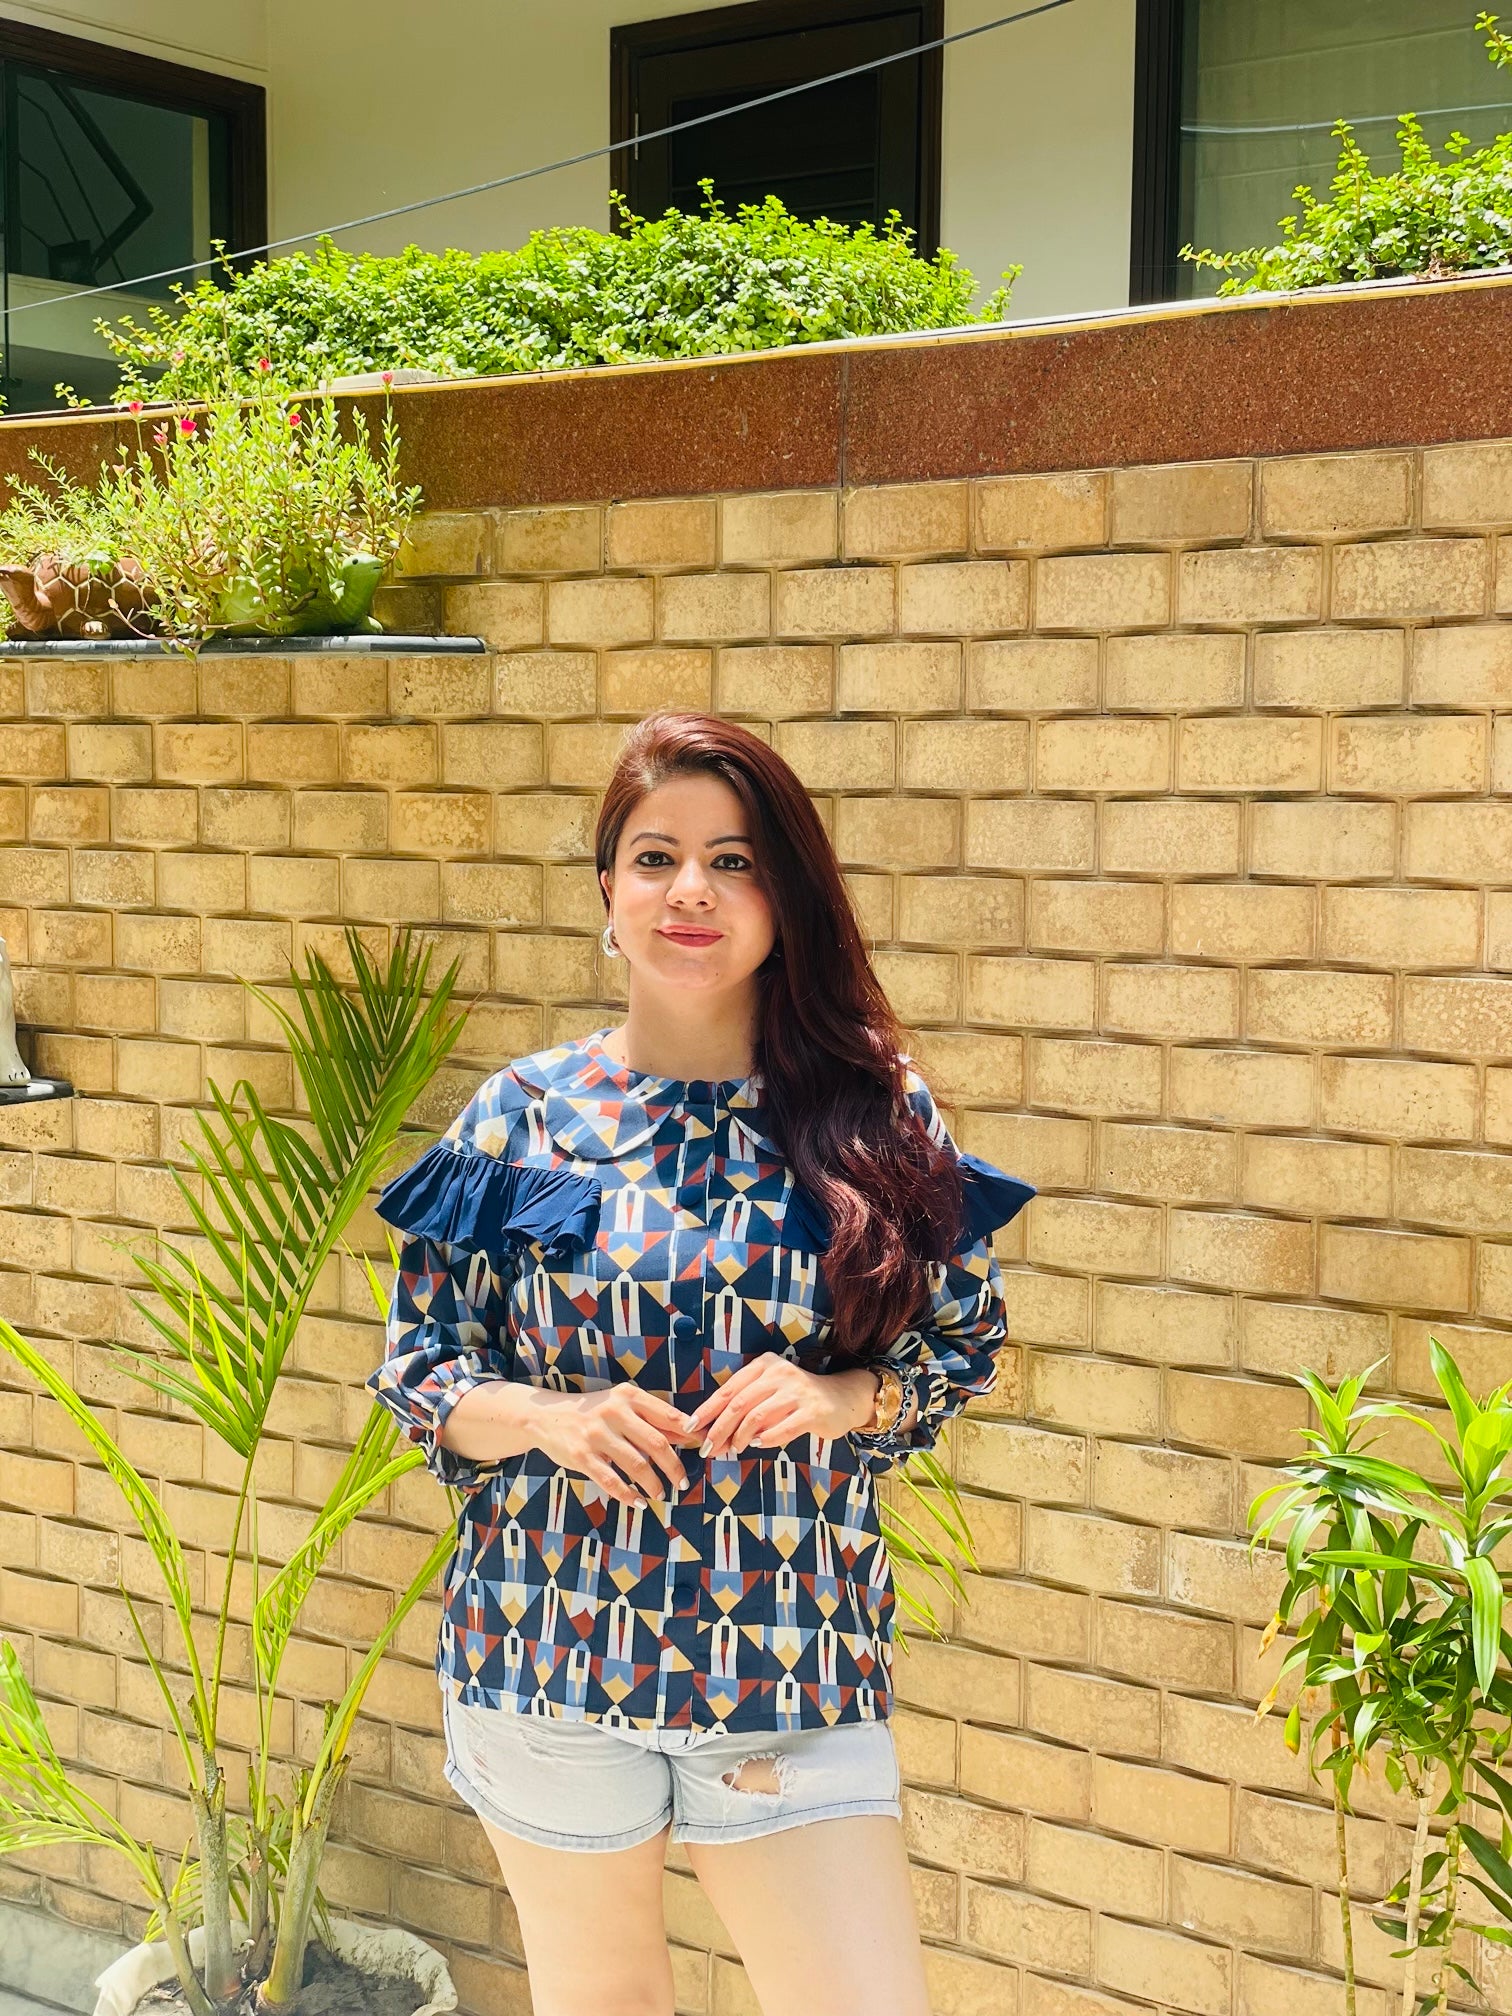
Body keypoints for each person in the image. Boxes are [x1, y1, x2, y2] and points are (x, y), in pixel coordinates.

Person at [367, 711, 1032, 2016]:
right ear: (607, 894)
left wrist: (840, 1394)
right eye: (656, 857)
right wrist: (548, 1418)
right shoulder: (525, 1118)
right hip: (546, 1655)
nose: (692, 891)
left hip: (790, 1660)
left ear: (787, 899)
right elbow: (422, 1367)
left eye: (734, 862)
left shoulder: (874, 1117)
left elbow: (962, 1346)